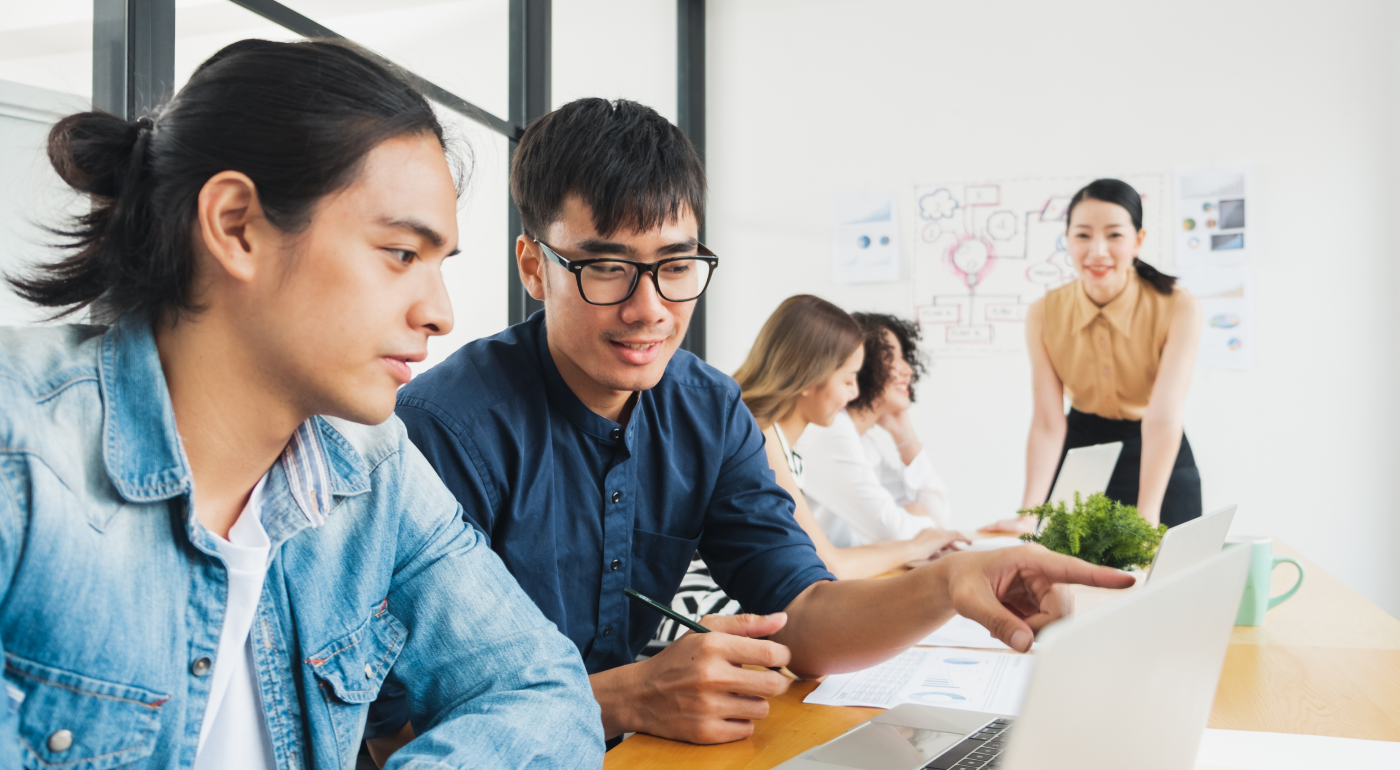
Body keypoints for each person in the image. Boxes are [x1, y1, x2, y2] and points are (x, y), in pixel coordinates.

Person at [372, 97, 1135, 749]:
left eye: (677, 265)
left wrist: (949, 585)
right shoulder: (443, 431)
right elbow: (387, 728)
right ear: (534, 266)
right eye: (606, 268)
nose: (651, 310)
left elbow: (803, 613)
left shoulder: (705, 407)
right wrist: (625, 698)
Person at [0, 40, 602, 769]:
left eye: (439, 266)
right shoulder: (20, 452)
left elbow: (540, 687)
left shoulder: (372, 470)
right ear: (236, 226)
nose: (441, 313)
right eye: (402, 254)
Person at [648, 297, 963, 649]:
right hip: (701, 615)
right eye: (848, 380)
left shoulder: (781, 442)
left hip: (733, 604)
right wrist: (918, 546)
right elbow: (830, 564)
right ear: (810, 377)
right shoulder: (759, 435)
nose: (855, 392)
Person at [984, 178, 1203, 534]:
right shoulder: (1044, 312)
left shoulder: (1179, 306)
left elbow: (1163, 419)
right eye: (1083, 235)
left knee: (1172, 577)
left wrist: (1147, 512)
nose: (1097, 251)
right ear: (1067, 239)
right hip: (1082, 452)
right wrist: (1028, 514)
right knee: (1070, 580)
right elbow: (1048, 422)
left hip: (1157, 452)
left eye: (1114, 235)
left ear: (1138, 241)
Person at [800, 312, 961, 548]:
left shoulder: (862, 442)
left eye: (905, 358)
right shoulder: (831, 432)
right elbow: (894, 534)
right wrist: (921, 521)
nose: (908, 370)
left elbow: (937, 515)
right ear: (864, 362)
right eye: (893, 357)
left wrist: (903, 431)